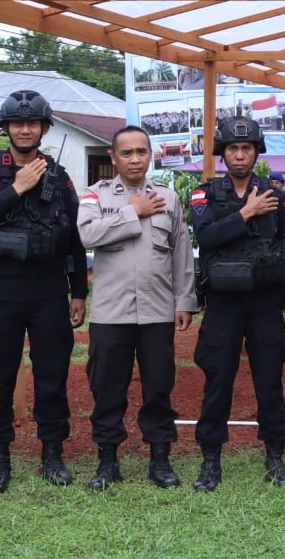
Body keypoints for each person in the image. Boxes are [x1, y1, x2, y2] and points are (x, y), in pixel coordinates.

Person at [0, 90, 88, 493]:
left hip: (49, 292)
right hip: (0, 291)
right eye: (17, 123)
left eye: (32, 123)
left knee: (51, 375)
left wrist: (79, 292)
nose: (25, 129)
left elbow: (74, 239)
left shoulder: (60, 176)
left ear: (44, 129)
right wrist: (16, 188)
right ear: (7, 129)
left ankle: (52, 453)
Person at [75, 126, 197, 490]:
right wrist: (133, 212)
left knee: (158, 388)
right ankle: (107, 462)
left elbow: (181, 254)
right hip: (110, 314)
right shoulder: (95, 196)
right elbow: (87, 235)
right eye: (126, 153)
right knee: (107, 388)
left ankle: (160, 460)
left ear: (150, 156)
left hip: (157, 312)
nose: (134, 159)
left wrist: (185, 300)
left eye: (141, 152)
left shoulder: (168, 198)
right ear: (113, 157)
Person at [189, 116, 285, 492]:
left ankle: (275, 457)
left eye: (247, 148)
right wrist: (245, 214)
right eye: (233, 149)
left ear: (257, 153)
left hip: (265, 305)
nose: (240, 155)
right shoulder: (204, 194)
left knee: (269, 383)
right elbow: (205, 237)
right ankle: (211, 462)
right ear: (222, 154)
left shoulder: (278, 196)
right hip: (222, 305)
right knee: (217, 382)